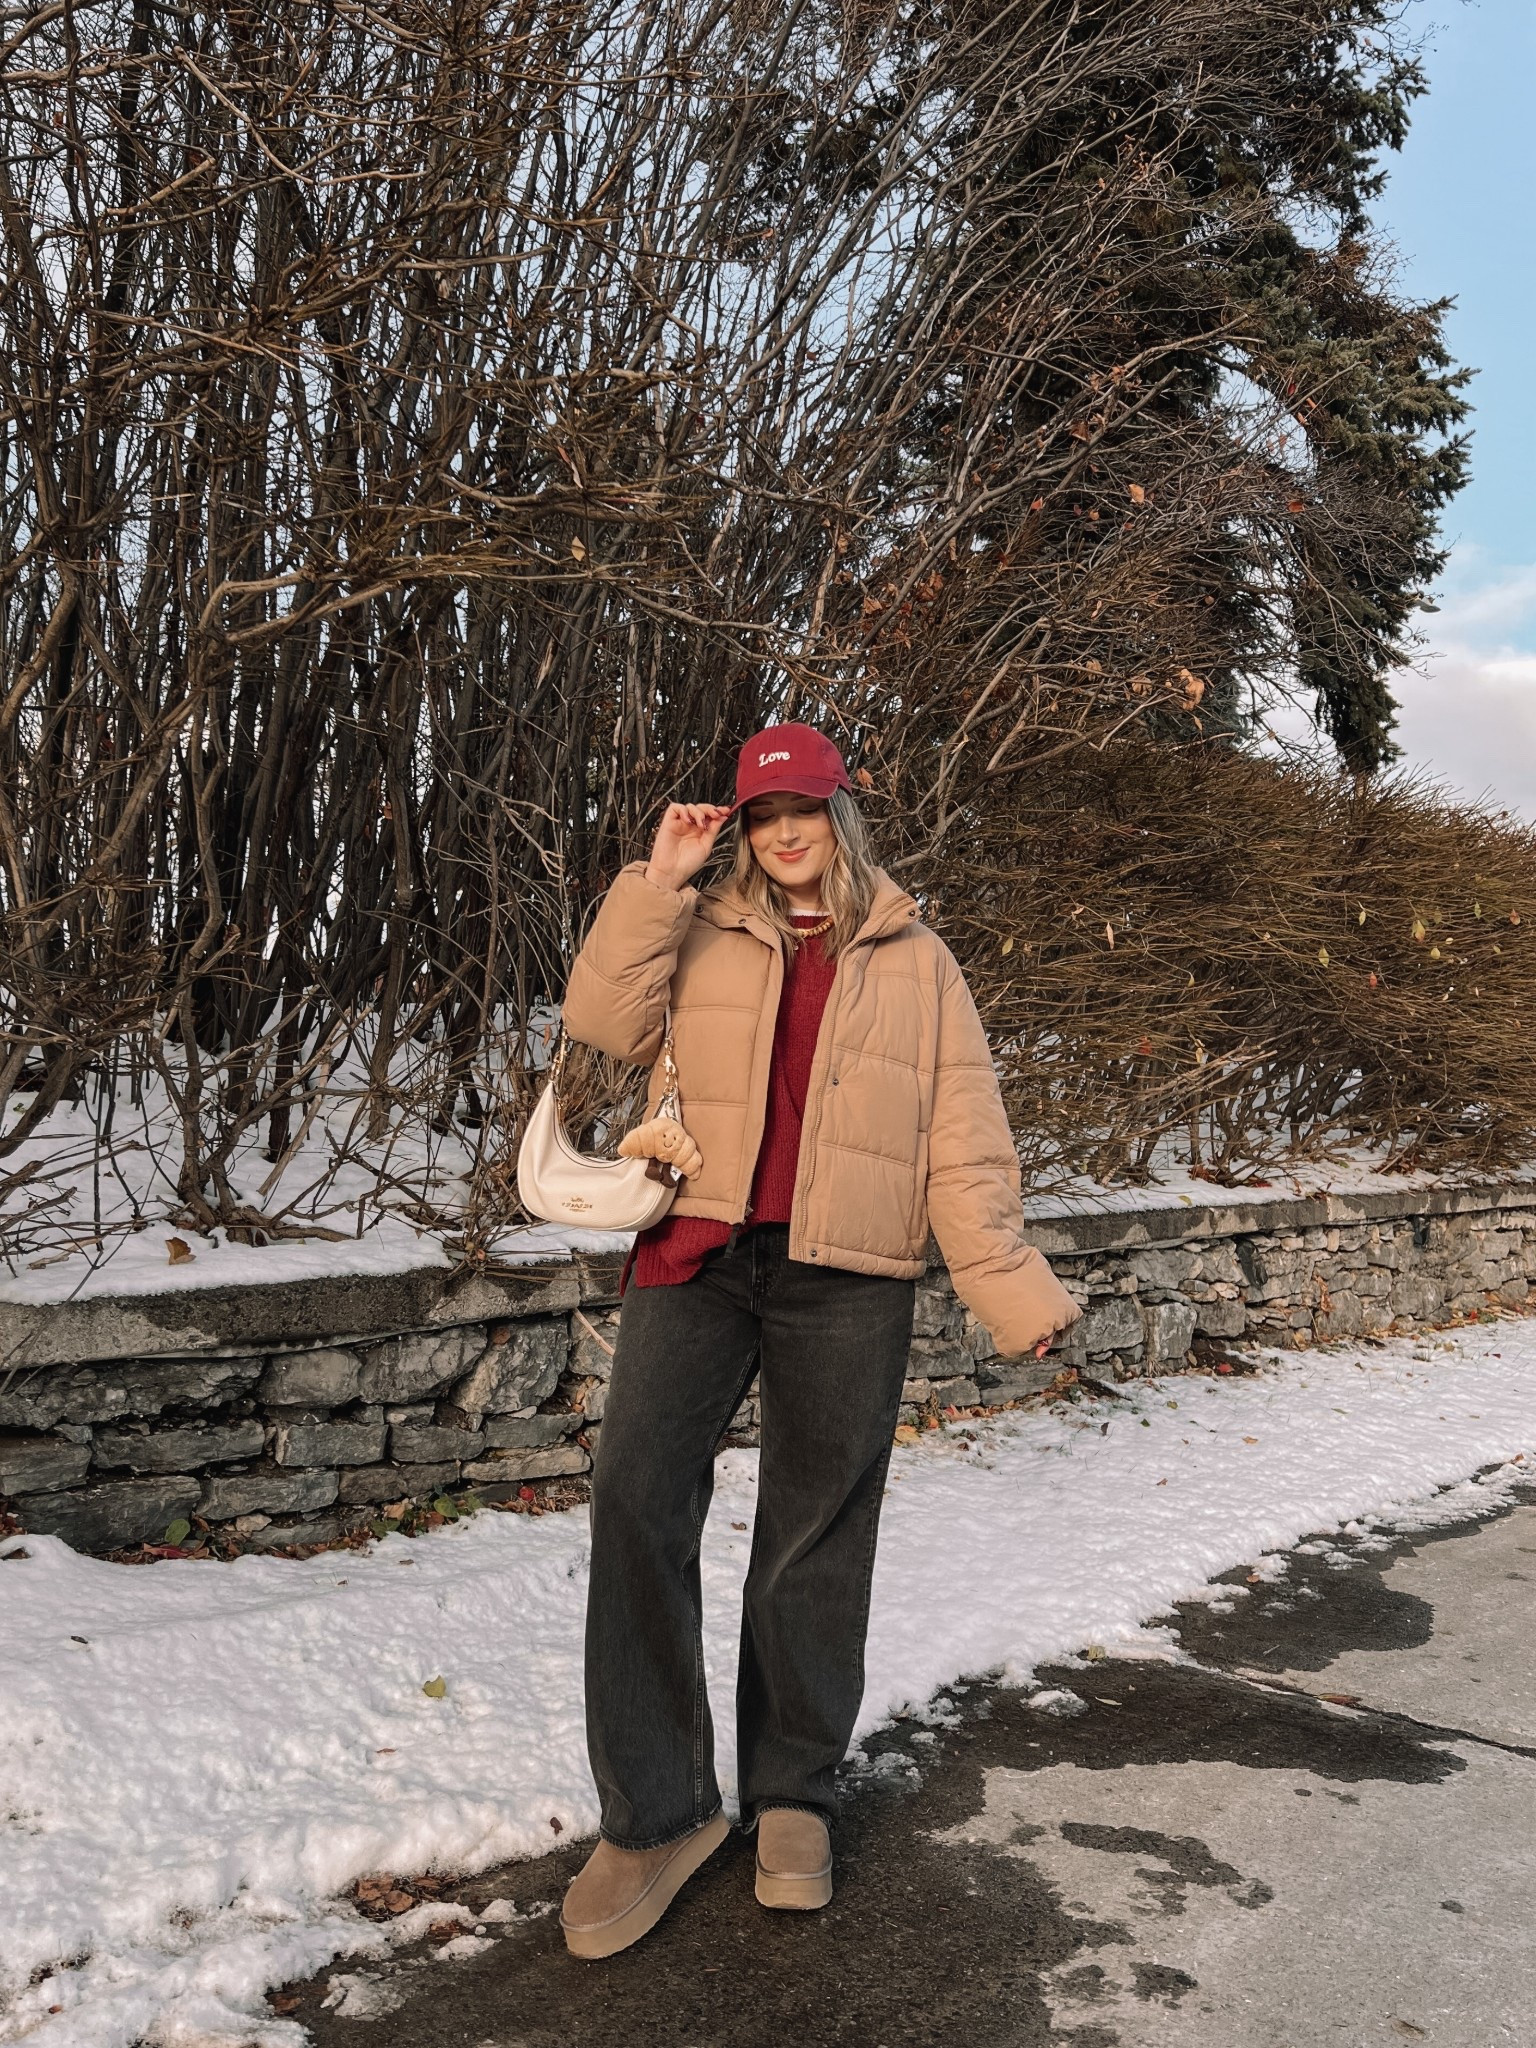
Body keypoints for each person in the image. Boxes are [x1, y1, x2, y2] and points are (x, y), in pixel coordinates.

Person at [556, 722, 1081, 1960]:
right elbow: (600, 1022)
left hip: (848, 1272)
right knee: (635, 1495)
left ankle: (793, 1794)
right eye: (761, 814)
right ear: (742, 825)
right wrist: (657, 880)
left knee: (816, 1529)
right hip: (697, 1247)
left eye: (804, 809)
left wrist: (1010, 1285)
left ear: (840, 814)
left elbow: (965, 1136)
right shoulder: (695, 921)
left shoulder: (917, 958)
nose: (784, 832)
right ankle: (657, 1812)